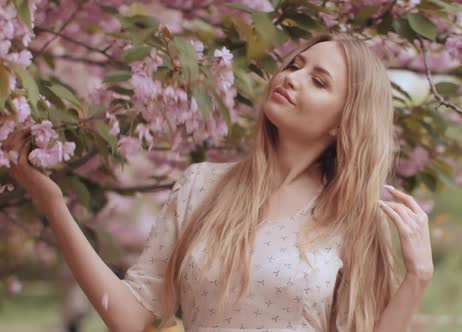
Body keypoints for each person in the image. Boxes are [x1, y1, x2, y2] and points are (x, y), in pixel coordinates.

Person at [5, 32, 433, 332]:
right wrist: (53, 202)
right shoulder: (201, 186)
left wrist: (417, 277)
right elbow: (128, 317)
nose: (291, 77)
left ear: (344, 123)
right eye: (295, 65)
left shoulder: (354, 218)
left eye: (318, 81)